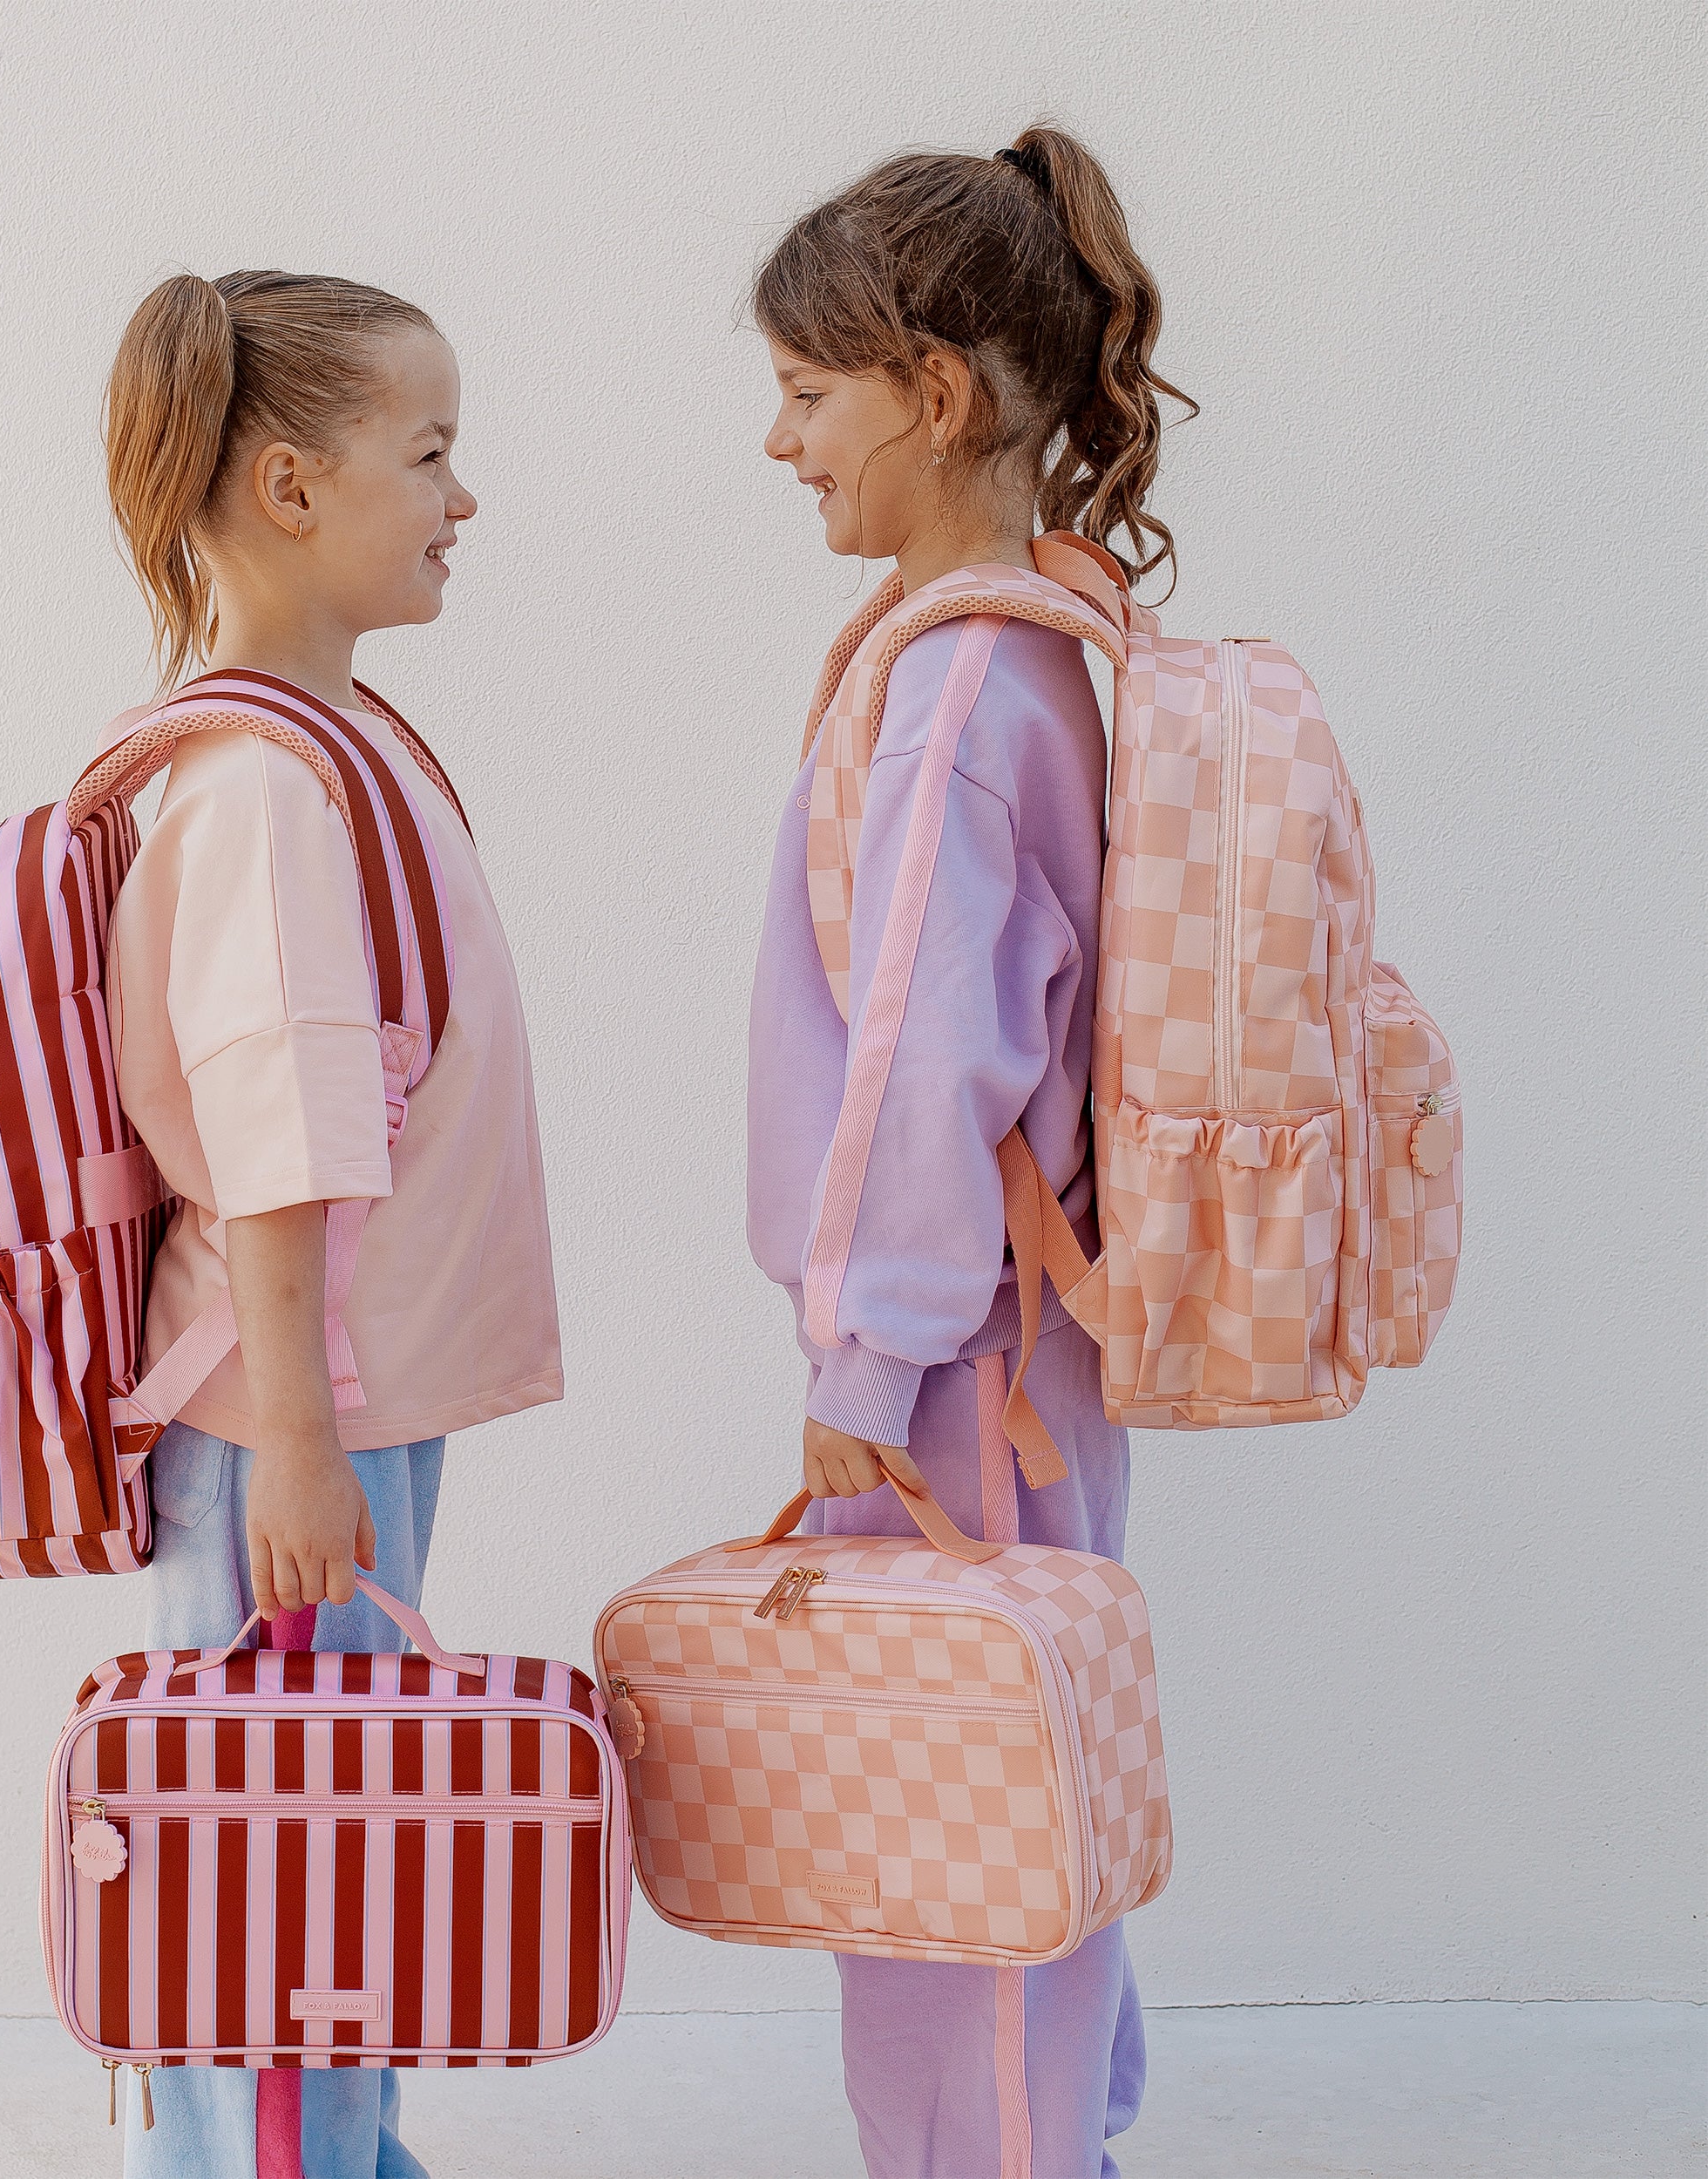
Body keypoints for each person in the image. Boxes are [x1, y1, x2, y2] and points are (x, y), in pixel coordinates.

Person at [745, 128, 1193, 2178]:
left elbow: (923, 1060)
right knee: (1030, 1768)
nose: (780, 441)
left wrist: (860, 1357)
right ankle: (1059, 2140)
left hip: (951, 1357)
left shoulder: (947, 689)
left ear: (931, 393)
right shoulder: (1052, 633)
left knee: (941, 1824)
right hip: (1035, 1335)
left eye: (807, 391)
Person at [101, 268, 563, 2179]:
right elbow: (279, 1134)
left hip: (343, 1402)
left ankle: (338, 2154)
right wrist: (295, 1435)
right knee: (275, 1864)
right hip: (294, 1414)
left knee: (330, 1839)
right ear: (291, 488)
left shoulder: (324, 742)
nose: (463, 497)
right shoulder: (268, 782)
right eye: (429, 452)